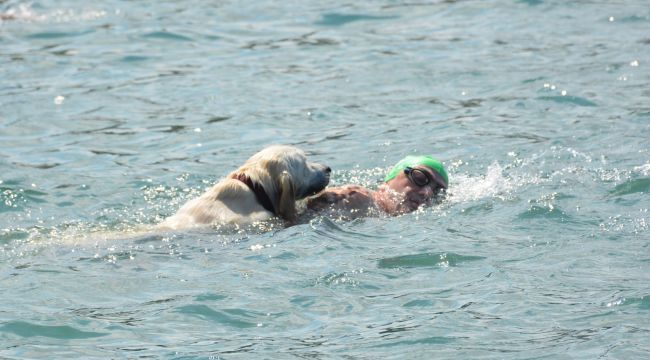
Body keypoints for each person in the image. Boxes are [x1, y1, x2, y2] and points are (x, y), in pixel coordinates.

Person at [306, 155, 449, 219]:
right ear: (390, 178)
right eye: (420, 178)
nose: (427, 193)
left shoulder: (386, 217)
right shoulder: (357, 197)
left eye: (437, 191)